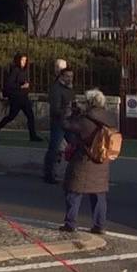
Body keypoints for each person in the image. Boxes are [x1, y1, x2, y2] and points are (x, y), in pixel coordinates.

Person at [60, 89, 115, 235]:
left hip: (83, 159)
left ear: (89, 102)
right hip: (102, 159)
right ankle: (99, 225)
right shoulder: (110, 118)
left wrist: (69, 112)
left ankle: (70, 223)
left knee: (74, 191)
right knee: (99, 194)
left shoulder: (85, 120)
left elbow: (66, 125)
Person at [0, 52, 42, 142]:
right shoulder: (15, 70)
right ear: (18, 60)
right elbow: (9, 84)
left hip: (23, 97)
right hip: (16, 98)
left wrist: (26, 86)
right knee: (11, 116)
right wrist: (21, 86)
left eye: (25, 60)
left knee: (30, 116)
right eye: (22, 60)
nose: (24, 62)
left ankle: (33, 135)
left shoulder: (24, 70)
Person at [44, 68, 75, 184]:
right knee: (54, 147)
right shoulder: (56, 89)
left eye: (71, 76)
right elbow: (55, 109)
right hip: (58, 122)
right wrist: (66, 111)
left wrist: (74, 110)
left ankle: (73, 171)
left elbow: (72, 102)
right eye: (67, 76)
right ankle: (49, 174)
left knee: (75, 145)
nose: (70, 79)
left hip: (69, 122)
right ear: (61, 76)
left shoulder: (70, 88)